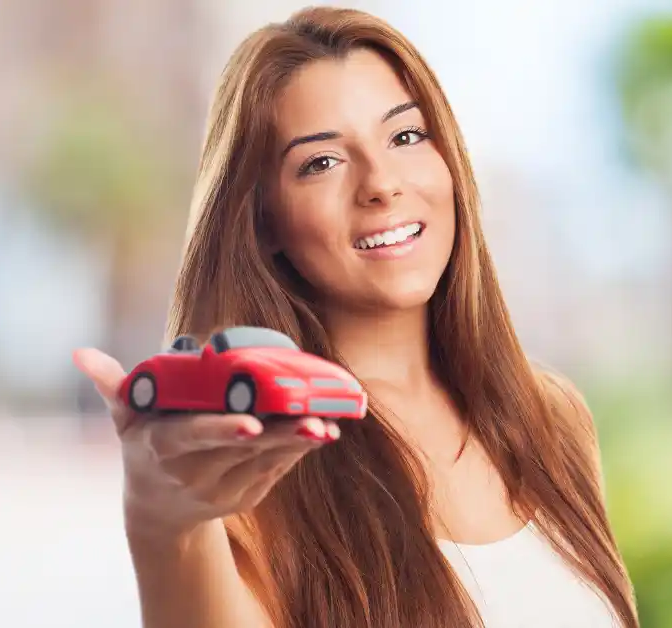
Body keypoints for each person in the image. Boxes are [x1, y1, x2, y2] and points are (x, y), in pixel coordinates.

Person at [73, 6, 638, 628]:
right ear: (265, 222)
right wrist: (166, 529)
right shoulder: (253, 460)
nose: (381, 184)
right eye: (322, 162)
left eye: (405, 136)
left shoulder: (555, 420)